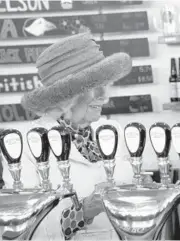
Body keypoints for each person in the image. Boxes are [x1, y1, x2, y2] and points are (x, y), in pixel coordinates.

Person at [2, 32, 134, 240]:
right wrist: (81, 212)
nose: (104, 96)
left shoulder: (112, 130)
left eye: (105, 84)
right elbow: (20, 230)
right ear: (66, 97)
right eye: (94, 87)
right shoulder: (25, 144)